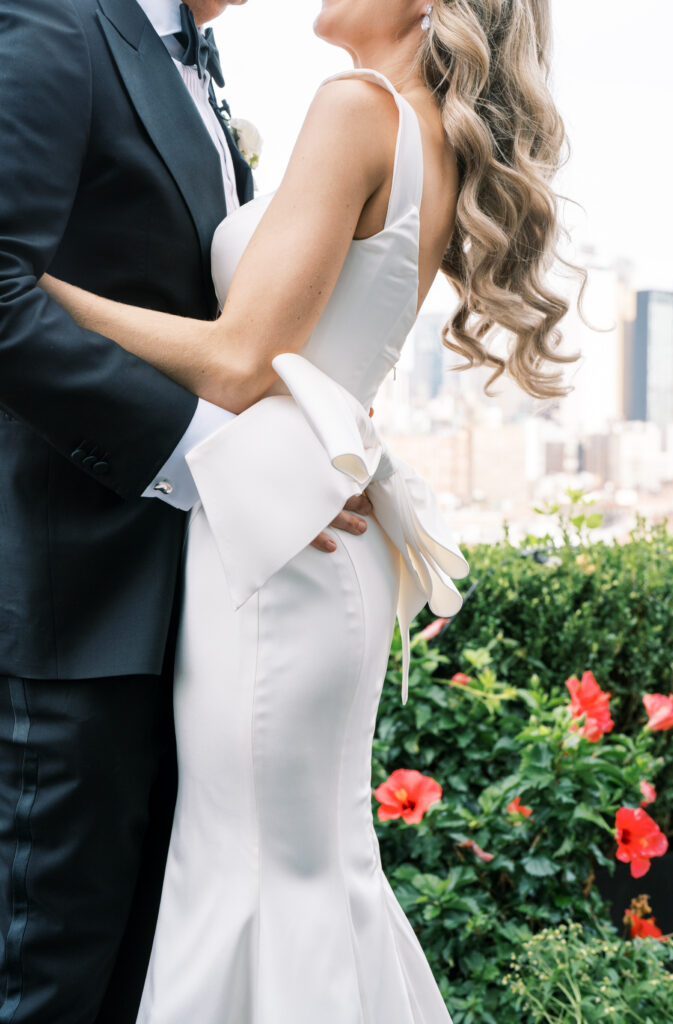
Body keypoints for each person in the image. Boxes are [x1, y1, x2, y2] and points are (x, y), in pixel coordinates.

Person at [40, 0, 580, 1020]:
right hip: (311, 531)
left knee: (251, 872)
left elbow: (242, 362)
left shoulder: (356, 107)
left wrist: (38, 289)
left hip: (278, 553)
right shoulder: (422, 131)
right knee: (306, 871)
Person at [0, 1, 371, 1021]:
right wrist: (209, 456)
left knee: (140, 972)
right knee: (50, 977)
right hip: (71, 599)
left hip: (198, 607)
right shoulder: (62, 21)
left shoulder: (196, 62)